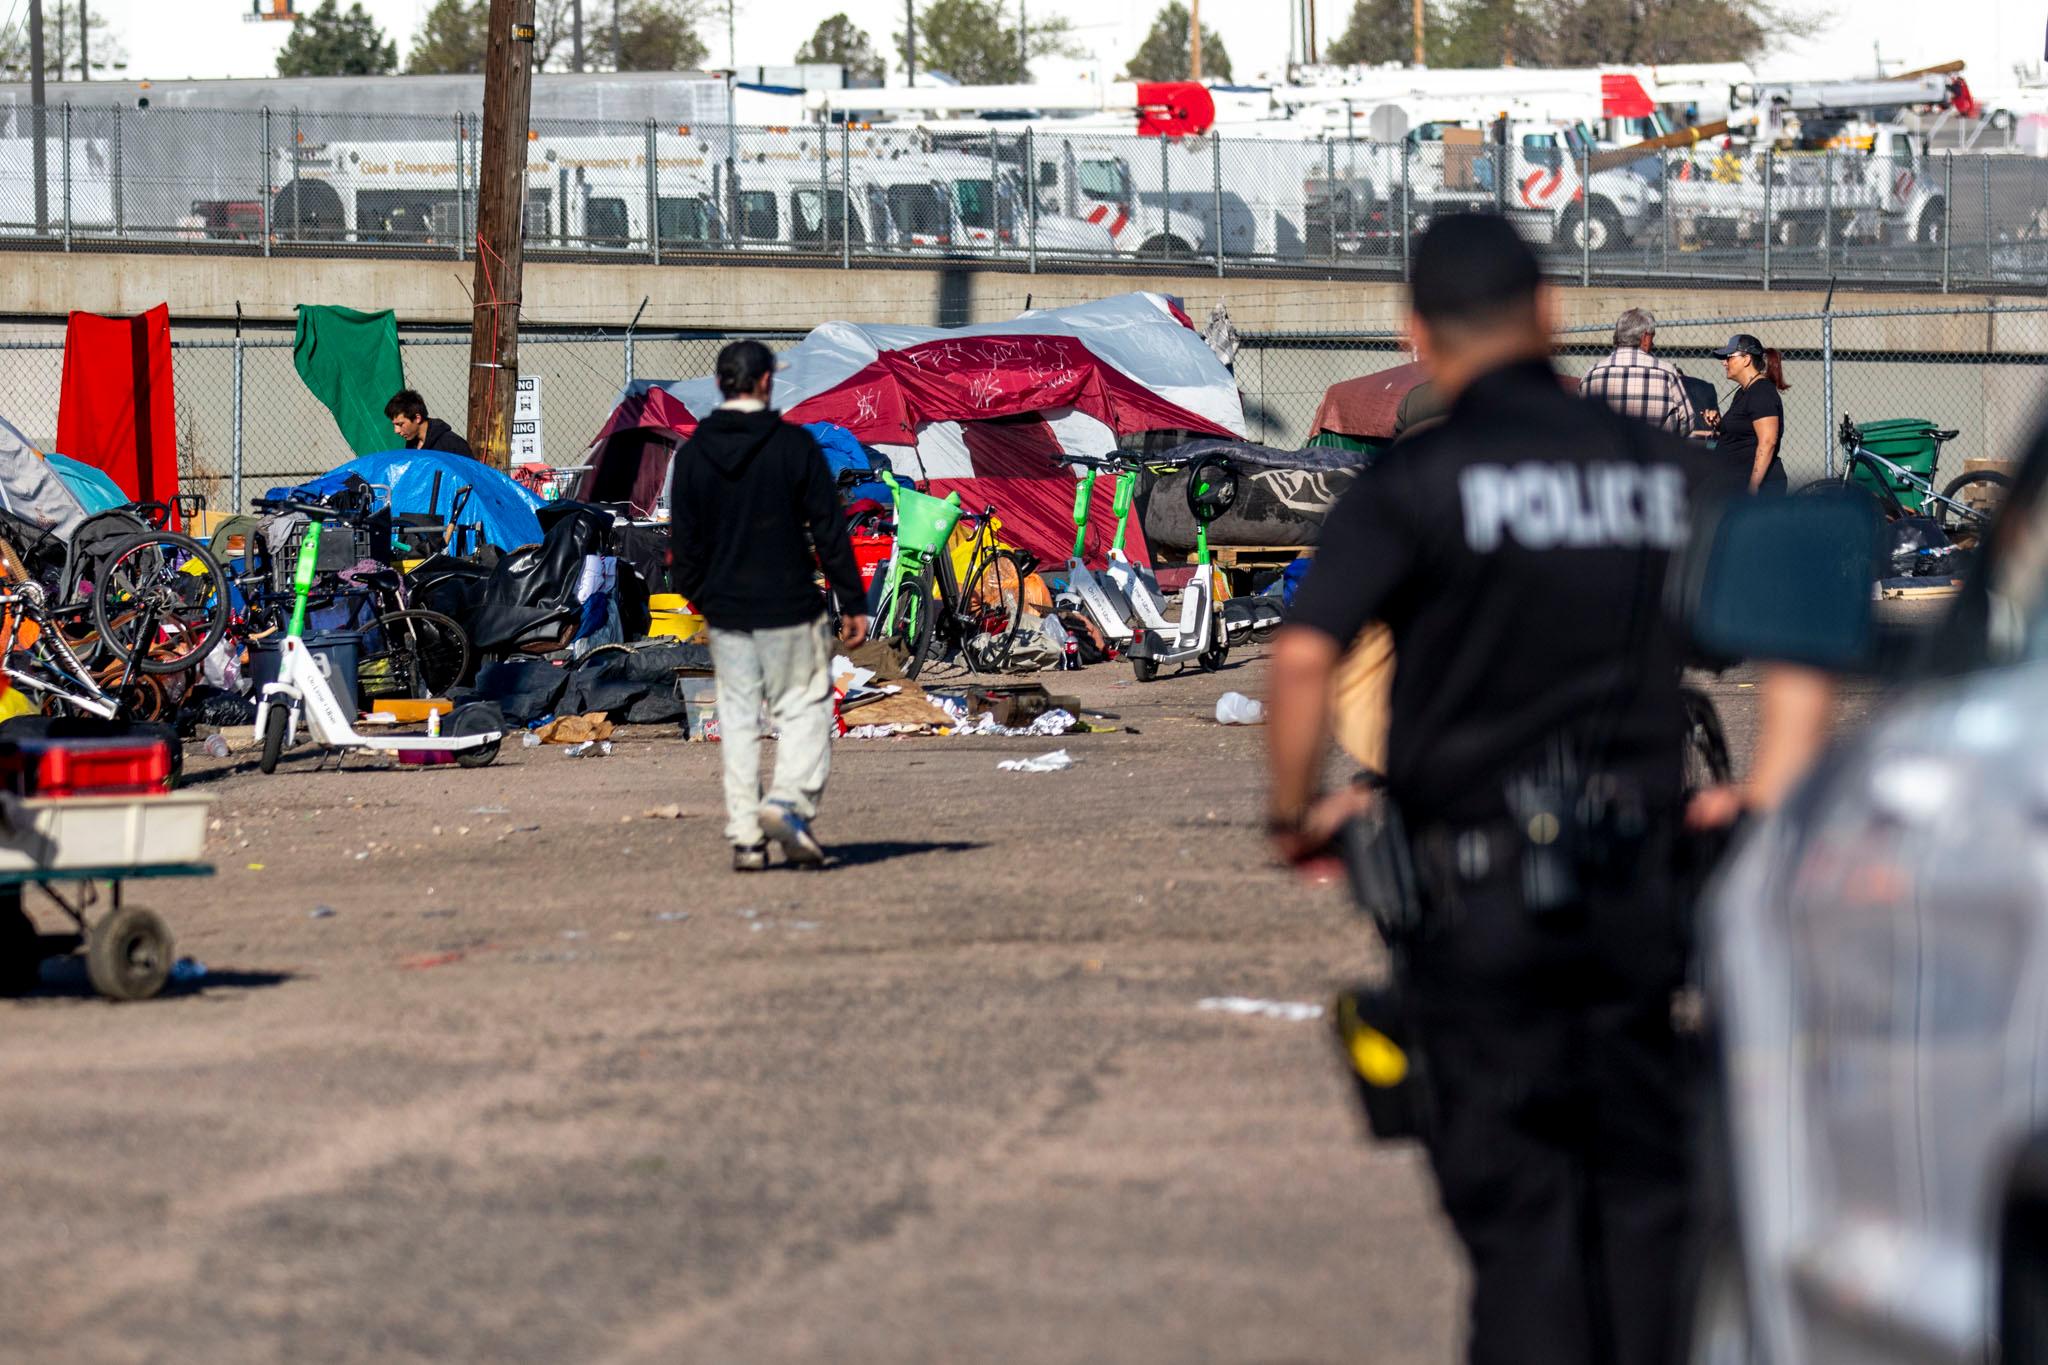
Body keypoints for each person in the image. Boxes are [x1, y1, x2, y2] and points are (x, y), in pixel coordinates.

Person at [1265, 213, 1730, 1365]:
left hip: (1471, 912)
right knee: (1642, 1209)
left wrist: (1294, 813)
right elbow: (1812, 597)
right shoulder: (1656, 466)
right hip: (1635, 904)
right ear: (1550, 313)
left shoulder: (1414, 479)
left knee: (1518, 1227)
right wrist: (1760, 789)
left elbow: (1302, 655)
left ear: (1413, 332)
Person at [670, 340, 868, 872]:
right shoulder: (795, 446)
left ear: (720, 385)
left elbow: (682, 548)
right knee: (804, 710)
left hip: (727, 612)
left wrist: (705, 597)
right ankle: (787, 805)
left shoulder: (691, 456)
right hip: (789, 607)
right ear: (764, 383)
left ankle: (746, 838)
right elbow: (829, 528)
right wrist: (852, 600)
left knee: (736, 719)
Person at [1580, 307, 1697, 436]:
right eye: (1652, 337)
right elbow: (1687, 422)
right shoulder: (1667, 373)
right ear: (1645, 338)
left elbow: (1582, 421)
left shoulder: (1592, 375)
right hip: (1658, 452)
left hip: (1607, 453)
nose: (1653, 343)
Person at [1702, 334, 1789, 493]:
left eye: (1729, 357)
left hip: (1759, 488)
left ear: (1746, 359)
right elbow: (1743, 431)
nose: (1724, 362)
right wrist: (1719, 424)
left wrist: (1753, 486)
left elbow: (1768, 441)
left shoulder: (1762, 392)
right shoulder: (1744, 393)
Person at [384, 390, 474, 458]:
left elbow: (472, 476)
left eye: (400, 424)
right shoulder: (412, 444)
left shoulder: (452, 444)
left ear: (417, 418)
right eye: (394, 425)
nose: (396, 431)